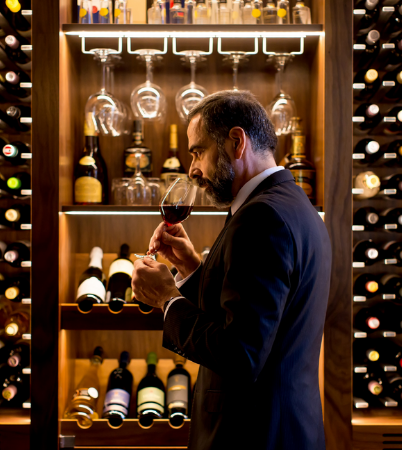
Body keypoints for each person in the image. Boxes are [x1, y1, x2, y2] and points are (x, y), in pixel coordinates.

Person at [131, 90, 331, 450]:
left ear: (236, 141)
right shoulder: (288, 201)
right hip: (282, 427)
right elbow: (251, 314)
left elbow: (241, 356)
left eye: (198, 152)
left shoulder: (261, 217)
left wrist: (166, 298)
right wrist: (190, 267)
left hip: (254, 434)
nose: (193, 170)